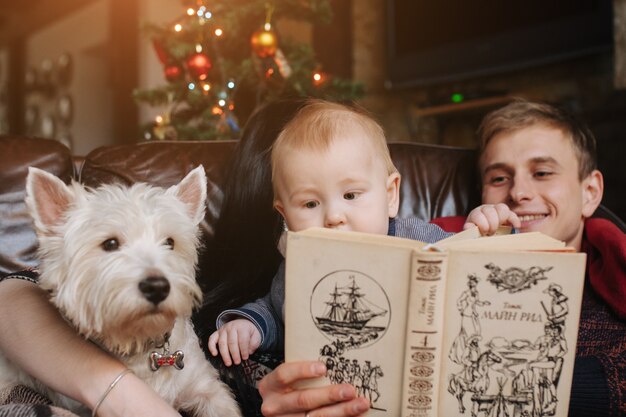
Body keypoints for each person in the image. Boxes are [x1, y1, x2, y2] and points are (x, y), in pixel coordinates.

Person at [207, 99, 455, 367]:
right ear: (286, 215)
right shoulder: (297, 269)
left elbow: (471, 265)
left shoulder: (420, 239)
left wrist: (492, 232)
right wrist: (250, 326)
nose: (334, 217)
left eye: (350, 195)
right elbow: (277, 314)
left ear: (390, 195)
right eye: (311, 204)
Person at [440, 99, 626, 417]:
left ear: (590, 192)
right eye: (499, 179)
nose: (518, 193)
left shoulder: (614, 290)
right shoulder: (439, 246)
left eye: (541, 173)